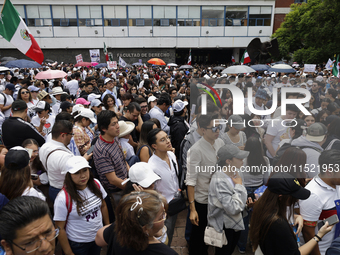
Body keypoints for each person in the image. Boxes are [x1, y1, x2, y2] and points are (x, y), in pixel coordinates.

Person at [250, 172, 333, 255]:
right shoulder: (278, 224)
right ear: (281, 197)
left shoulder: (263, 209)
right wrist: (319, 236)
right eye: (293, 196)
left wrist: (297, 217)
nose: (296, 200)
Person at [54, 156, 109, 255]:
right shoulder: (63, 198)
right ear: (69, 175)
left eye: (85, 170)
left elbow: (103, 205)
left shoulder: (96, 184)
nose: (83, 176)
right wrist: (69, 252)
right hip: (78, 243)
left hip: (97, 238)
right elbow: (59, 228)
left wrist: (107, 226)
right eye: (77, 173)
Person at [186, 114, 225, 255]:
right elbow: (190, 181)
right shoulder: (196, 150)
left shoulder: (220, 142)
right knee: (199, 238)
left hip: (217, 198)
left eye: (219, 127)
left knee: (214, 235)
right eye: (213, 128)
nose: (217, 131)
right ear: (202, 129)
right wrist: (192, 208)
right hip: (202, 200)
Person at [95, 190, 178, 255]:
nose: (165, 215)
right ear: (145, 228)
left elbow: (98, 239)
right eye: (161, 216)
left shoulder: (118, 230)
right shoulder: (166, 252)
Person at [208, 144, 248, 255]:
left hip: (234, 223)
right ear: (228, 161)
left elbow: (239, 199)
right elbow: (233, 208)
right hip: (224, 226)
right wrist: (239, 187)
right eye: (239, 158)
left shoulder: (236, 173)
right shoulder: (219, 180)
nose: (242, 160)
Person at [300, 150, 340, 255]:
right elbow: (308, 232)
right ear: (329, 172)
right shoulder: (313, 195)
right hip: (323, 250)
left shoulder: (337, 184)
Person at [147, 128, 179, 246]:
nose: (167, 141)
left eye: (167, 137)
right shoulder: (152, 166)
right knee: (164, 234)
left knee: (170, 231)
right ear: (154, 146)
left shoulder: (171, 154)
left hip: (175, 201)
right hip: (163, 208)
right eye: (162, 140)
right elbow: (152, 190)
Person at [93, 110, 128, 204]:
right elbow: (112, 180)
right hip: (117, 191)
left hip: (125, 182)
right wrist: (130, 187)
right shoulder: (101, 150)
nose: (118, 126)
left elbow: (123, 159)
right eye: (113, 124)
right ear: (104, 128)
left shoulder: (114, 137)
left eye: (117, 122)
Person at [39, 120, 75, 203]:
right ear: (63, 135)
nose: (72, 137)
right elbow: (74, 177)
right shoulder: (64, 156)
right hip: (65, 191)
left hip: (52, 187)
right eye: (71, 134)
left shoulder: (44, 147)